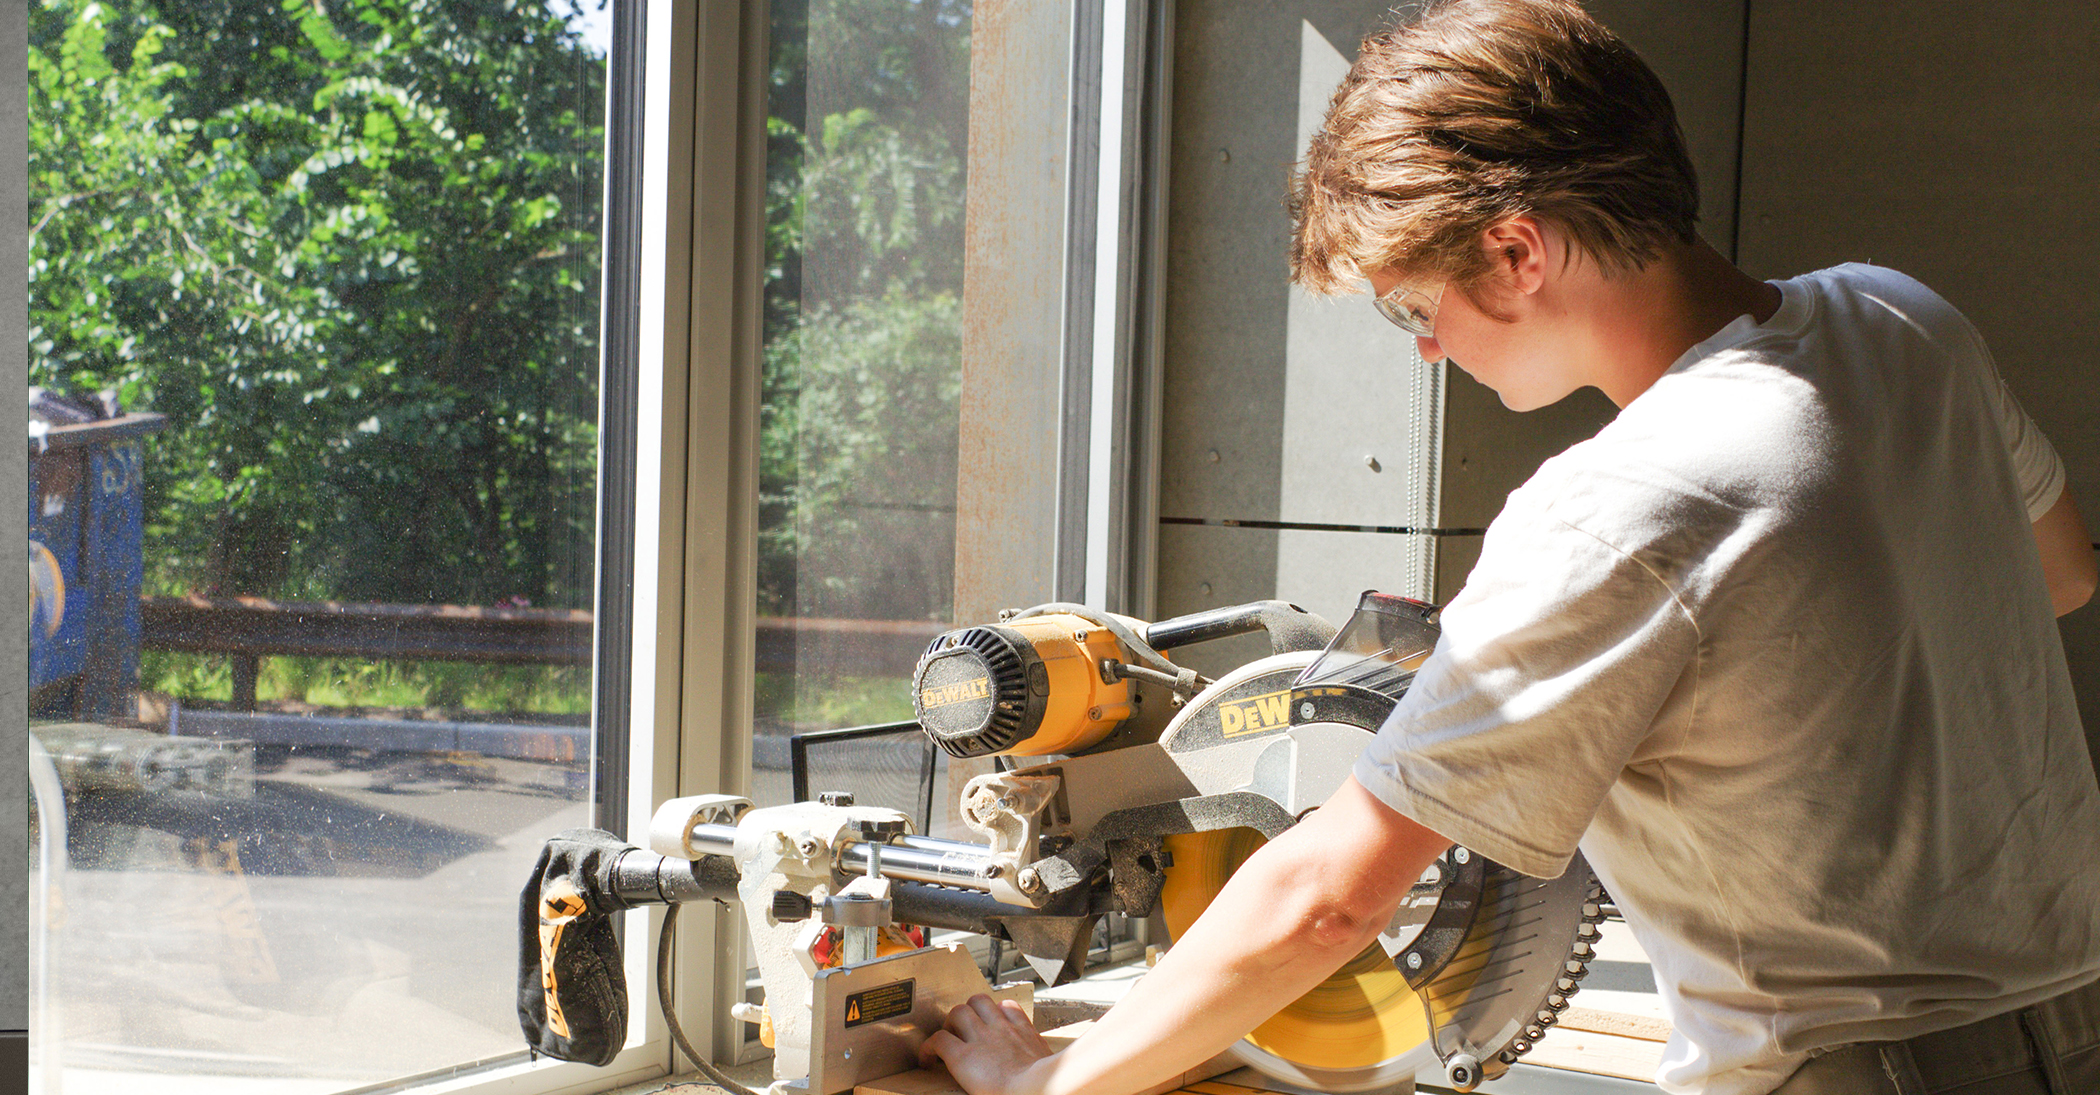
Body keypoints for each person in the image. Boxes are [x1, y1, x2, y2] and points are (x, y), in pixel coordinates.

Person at [918, 1, 2100, 1092]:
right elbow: (2061, 572)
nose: (1426, 350)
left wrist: (1043, 1083)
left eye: (1410, 306)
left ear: (1518, 252)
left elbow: (1331, 902)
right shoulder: (1902, 319)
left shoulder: (1621, 503)